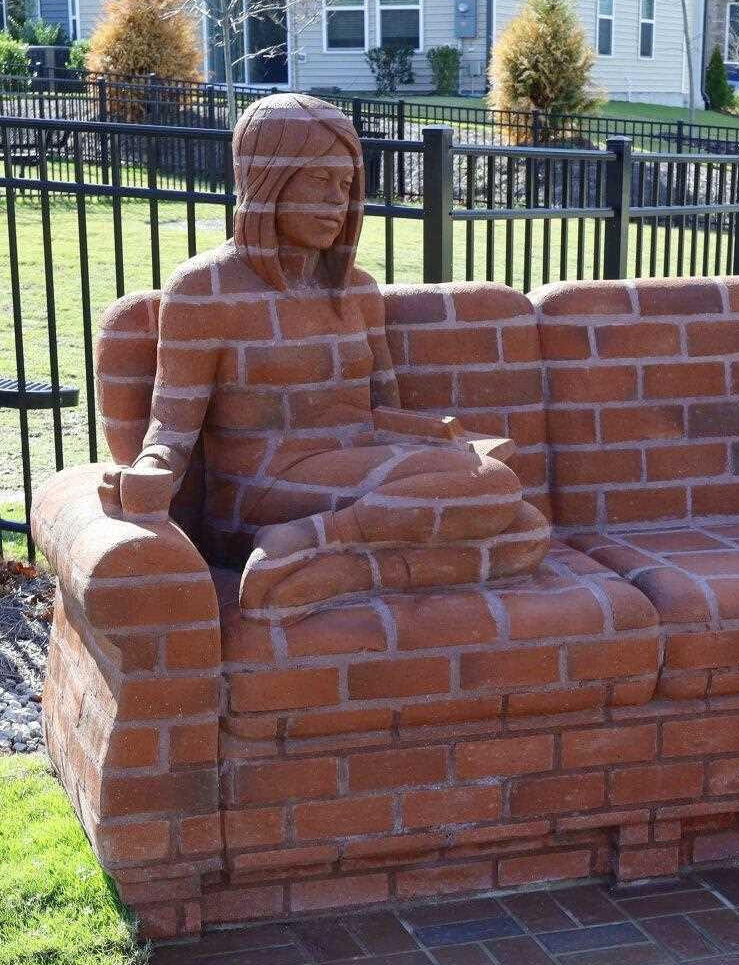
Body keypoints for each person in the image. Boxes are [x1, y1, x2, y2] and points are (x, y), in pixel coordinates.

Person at [99, 93, 548, 615]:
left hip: (351, 471)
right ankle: (302, 540)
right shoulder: (205, 290)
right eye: (320, 181)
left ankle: (328, 569)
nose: (338, 201)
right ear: (268, 178)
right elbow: (171, 431)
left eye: (346, 185)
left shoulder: (356, 291)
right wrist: (148, 471)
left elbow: (381, 414)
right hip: (260, 491)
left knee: (527, 531)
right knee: (493, 490)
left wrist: (448, 437)